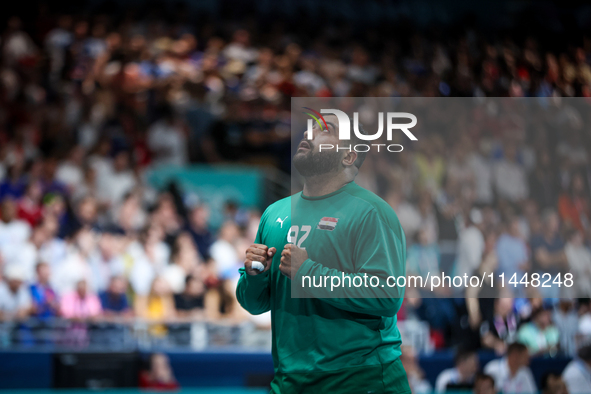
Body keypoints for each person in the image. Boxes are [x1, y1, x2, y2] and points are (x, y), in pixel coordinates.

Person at [236, 114, 409, 393]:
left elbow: (387, 296)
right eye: (310, 127)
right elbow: (254, 303)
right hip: (290, 383)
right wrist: (254, 275)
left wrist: (307, 272)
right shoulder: (274, 213)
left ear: (348, 156)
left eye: (326, 130)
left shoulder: (372, 212)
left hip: (360, 382)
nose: (309, 132)